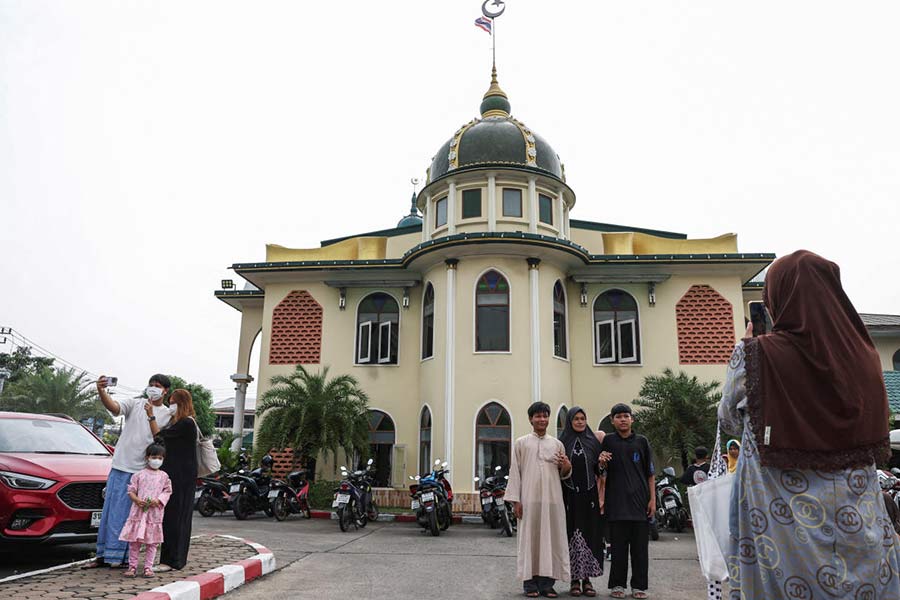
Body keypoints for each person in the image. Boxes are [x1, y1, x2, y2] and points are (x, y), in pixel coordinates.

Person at [718, 250, 900, 598]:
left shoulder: (755, 355)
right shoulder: (866, 357)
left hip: (782, 528)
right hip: (856, 526)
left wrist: (747, 345)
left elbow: (728, 420)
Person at [86, 374, 172, 568]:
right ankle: (103, 556)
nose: (153, 388)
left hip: (142, 472)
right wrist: (101, 390)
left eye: (157, 386)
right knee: (111, 514)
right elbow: (114, 408)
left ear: (165, 390)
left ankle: (124, 558)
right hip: (120, 466)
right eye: (150, 384)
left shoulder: (167, 414)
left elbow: (160, 437)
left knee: (132, 515)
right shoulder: (135, 403)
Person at [506, 401, 572, 598]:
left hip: (552, 501)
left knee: (551, 541)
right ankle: (530, 584)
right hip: (528, 501)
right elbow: (515, 473)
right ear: (530, 419)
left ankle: (547, 584)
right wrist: (516, 501)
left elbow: (564, 473)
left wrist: (566, 464)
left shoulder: (557, 444)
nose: (542, 419)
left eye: (545, 416)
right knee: (530, 541)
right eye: (538, 416)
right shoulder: (521, 443)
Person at [599, 403, 654, 600]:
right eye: (618, 416)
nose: (623, 419)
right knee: (618, 550)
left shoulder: (642, 442)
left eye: (626, 416)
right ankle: (617, 585)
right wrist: (602, 463)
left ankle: (639, 586)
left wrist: (653, 501)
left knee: (640, 550)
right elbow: (601, 472)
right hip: (617, 505)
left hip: (640, 505)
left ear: (632, 419)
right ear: (612, 421)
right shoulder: (608, 442)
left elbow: (650, 474)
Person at [147, 388, 198, 571]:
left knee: (175, 518)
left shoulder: (185, 423)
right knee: (175, 517)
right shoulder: (183, 423)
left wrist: (151, 416)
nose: (170, 405)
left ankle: (171, 561)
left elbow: (158, 438)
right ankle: (172, 559)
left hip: (181, 478)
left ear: (180, 403)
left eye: (172, 401)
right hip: (180, 477)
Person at [558, 407, 605, 597]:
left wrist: (602, 465)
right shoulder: (561, 442)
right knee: (570, 534)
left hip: (589, 497)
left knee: (590, 534)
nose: (579, 422)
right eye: (576, 419)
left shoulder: (593, 441)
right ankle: (573, 581)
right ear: (570, 421)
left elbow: (599, 471)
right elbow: (557, 471)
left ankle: (587, 580)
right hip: (569, 496)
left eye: (582, 418)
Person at [119, 443, 172, 577]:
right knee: (134, 542)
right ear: (147, 457)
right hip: (138, 512)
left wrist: (158, 500)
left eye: (160, 458)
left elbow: (167, 491)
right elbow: (130, 490)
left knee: (152, 543)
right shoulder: (139, 475)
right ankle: (132, 567)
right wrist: (137, 500)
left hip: (154, 514)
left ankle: (148, 567)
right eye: (154, 457)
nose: (157, 460)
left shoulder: (164, 476)